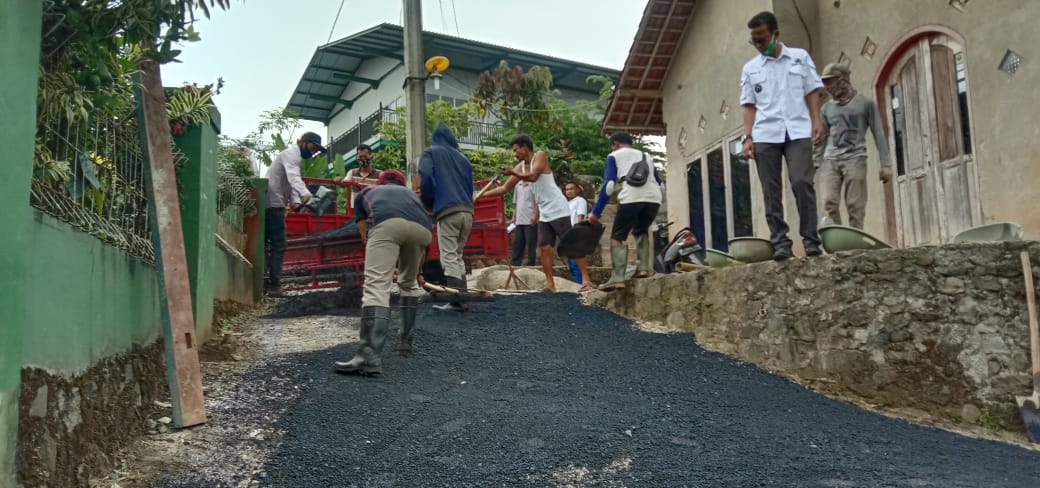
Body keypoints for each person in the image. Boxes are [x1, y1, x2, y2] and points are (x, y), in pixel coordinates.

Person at [740, 11, 825, 259]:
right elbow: (749, 105)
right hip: (765, 134)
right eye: (754, 40)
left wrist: (816, 120)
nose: (758, 44)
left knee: (802, 182)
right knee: (771, 190)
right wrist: (747, 137)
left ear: (775, 34)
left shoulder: (800, 58)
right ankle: (780, 243)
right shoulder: (751, 68)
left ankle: (811, 240)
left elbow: (812, 91)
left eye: (762, 39)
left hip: (798, 130)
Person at [334, 169, 433, 375]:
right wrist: (417, 272)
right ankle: (405, 343)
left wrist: (372, 245)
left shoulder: (367, 192)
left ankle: (368, 357)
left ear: (380, 183)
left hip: (387, 225)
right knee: (408, 284)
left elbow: (364, 228)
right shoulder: (412, 197)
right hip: (423, 230)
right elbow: (425, 248)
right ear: (402, 184)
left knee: (377, 286)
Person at [478, 134, 593, 292]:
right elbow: (504, 188)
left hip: (557, 207)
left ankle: (586, 280)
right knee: (544, 247)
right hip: (544, 211)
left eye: (516, 150)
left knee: (570, 244)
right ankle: (550, 285)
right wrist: (481, 195)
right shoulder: (520, 167)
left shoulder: (540, 156)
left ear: (525, 147)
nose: (515, 154)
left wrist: (513, 172)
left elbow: (533, 176)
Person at [815, 62, 893, 229]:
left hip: (855, 158)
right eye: (824, 82)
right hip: (831, 160)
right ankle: (837, 237)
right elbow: (821, 139)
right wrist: (814, 164)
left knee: (855, 204)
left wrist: (886, 164)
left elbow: (879, 132)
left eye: (829, 81)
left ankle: (854, 238)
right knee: (828, 201)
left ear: (842, 79)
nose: (827, 87)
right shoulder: (826, 109)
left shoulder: (865, 103)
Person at [588, 132, 663, 291]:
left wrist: (596, 212)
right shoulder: (646, 156)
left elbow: (609, 186)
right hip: (654, 199)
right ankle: (643, 268)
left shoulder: (614, 156)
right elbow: (659, 183)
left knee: (617, 236)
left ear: (615, 144)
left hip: (632, 198)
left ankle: (618, 278)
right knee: (640, 230)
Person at [419, 123, 474, 312]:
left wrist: (428, 201)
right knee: (457, 255)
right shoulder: (463, 158)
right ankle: (463, 297)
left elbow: (426, 177)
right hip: (467, 211)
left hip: (447, 210)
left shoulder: (431, 152)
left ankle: (456, 300)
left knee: (449, 256)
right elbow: (469, 185)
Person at [264, 132, 323, 296]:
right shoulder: (291, 155)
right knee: (279, 245)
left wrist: (296, 201)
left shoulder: (292, 156)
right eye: (313, 148)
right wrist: (305, 193)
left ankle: (267, 284)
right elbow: (293, 178)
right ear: (303, 142)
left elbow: (290, 183)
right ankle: (274, 286)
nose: (313, 152)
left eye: (316, 150)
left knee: (269, 245)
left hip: (274, 203)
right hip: (273, 204)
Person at [510, 160, 539, 267]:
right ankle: (515, 263)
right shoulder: (517, 185)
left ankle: (531, 263)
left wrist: (535, 215)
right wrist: (514, 216)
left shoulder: (534, 185)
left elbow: (538, 202)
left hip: (530, 218)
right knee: (518, 242)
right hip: (519, 218)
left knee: (531, 242)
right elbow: (517, 203)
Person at [564, 181, 587, 284]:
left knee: (576, 262)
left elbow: (580, 217)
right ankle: (577, 283)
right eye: (567, 189)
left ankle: (579, 284)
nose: (568, 191)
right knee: (571, 263)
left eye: (571, 189)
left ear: (577, 190)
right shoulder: (568, 203)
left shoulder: (580, 200)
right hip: (568, 234)